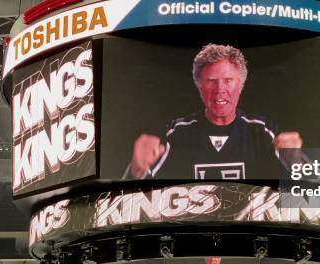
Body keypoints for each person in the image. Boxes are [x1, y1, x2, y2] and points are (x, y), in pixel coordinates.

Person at [127, 44, 303, 180]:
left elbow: (318, 196)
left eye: (228, 80)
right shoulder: (176, 133)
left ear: (240, 85)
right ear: (199, 87)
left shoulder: (264, 131)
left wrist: (297, 163)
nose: (220, 89)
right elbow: (133, 197)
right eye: (211, 81)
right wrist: (136, 170)